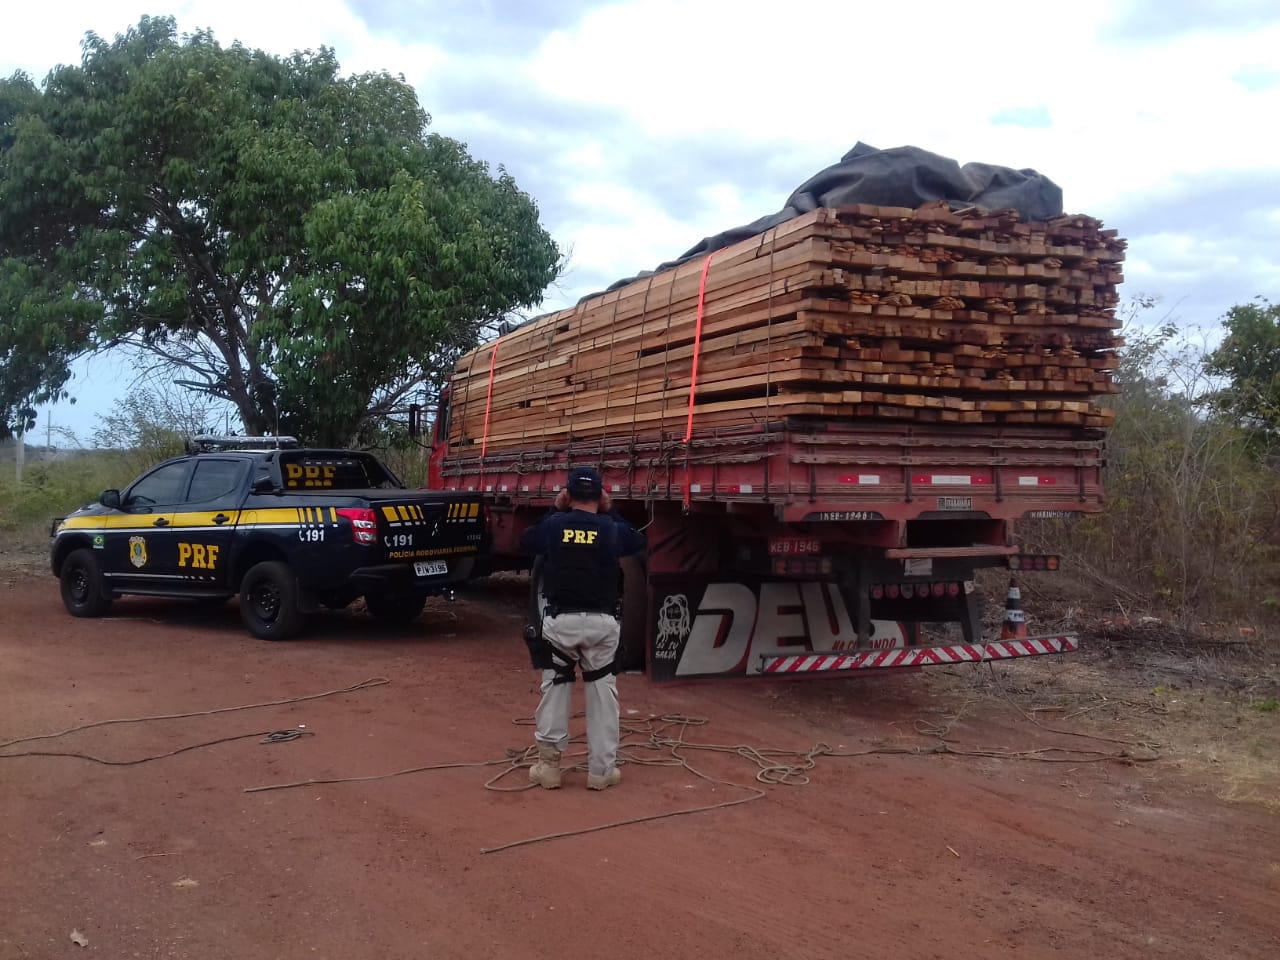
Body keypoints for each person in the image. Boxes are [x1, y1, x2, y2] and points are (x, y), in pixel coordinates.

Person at [519, 466, 645, 790]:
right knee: (603, 693)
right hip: (602, 626)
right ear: (600, 495)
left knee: (556, 687)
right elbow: (637, 540)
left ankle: (548, 768)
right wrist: (611, 509)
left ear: (568, 494)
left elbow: (527, 539)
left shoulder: (553, 527)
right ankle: (601, 772)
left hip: (562, 624)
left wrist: (555, 508)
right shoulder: (611, 530)